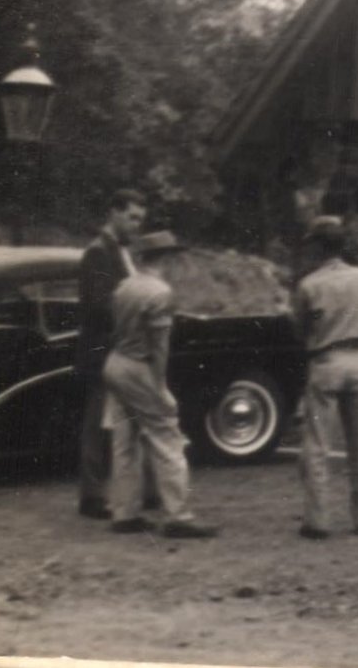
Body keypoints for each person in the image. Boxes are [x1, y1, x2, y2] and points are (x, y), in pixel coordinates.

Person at [102, 230, 218, 538]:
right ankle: (177, 514)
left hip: (115, 362)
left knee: (124, 440)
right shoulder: (160, 292)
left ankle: (124, 512)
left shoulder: (124, 286)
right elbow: (160, 346)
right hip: (140, 366)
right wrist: (161, 386)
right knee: (167, 434)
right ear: (166, 258)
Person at [293, 215, 358, 538]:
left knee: (316, 444)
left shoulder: (310, 285)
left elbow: (300, 329)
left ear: (317, 246)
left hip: (326, 360)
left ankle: (317, 519)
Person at [75, 189, 147, 519]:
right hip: (103, 349)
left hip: (121, 349)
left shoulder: (122, 253)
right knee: (97, 423)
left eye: (140, 220)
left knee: (122, 422)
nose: (136, 225)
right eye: (132, 217)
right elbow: (98, 305)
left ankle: (133, 490)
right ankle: (91, 494)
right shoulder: (99, 253)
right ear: (114, 213)